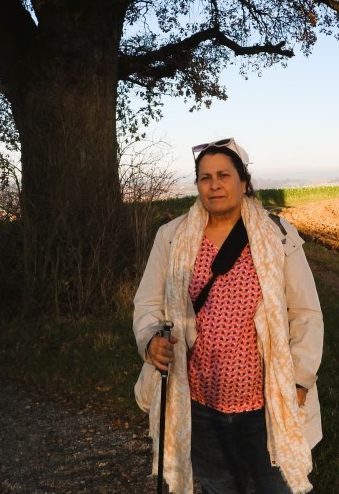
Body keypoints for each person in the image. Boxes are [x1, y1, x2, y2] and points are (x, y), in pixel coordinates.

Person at [133, 137, 323, 494]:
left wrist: (298, 380)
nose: (214, 184)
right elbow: (147, 303)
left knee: (277, 485)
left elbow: (306, 312)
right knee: (219, 486)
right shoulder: (172, 237)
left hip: (266, 399)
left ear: (243, 181)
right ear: (197, 186)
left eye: (223, 174)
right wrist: (150, 340)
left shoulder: (277, 236)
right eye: (205, 177)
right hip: (199, 401)